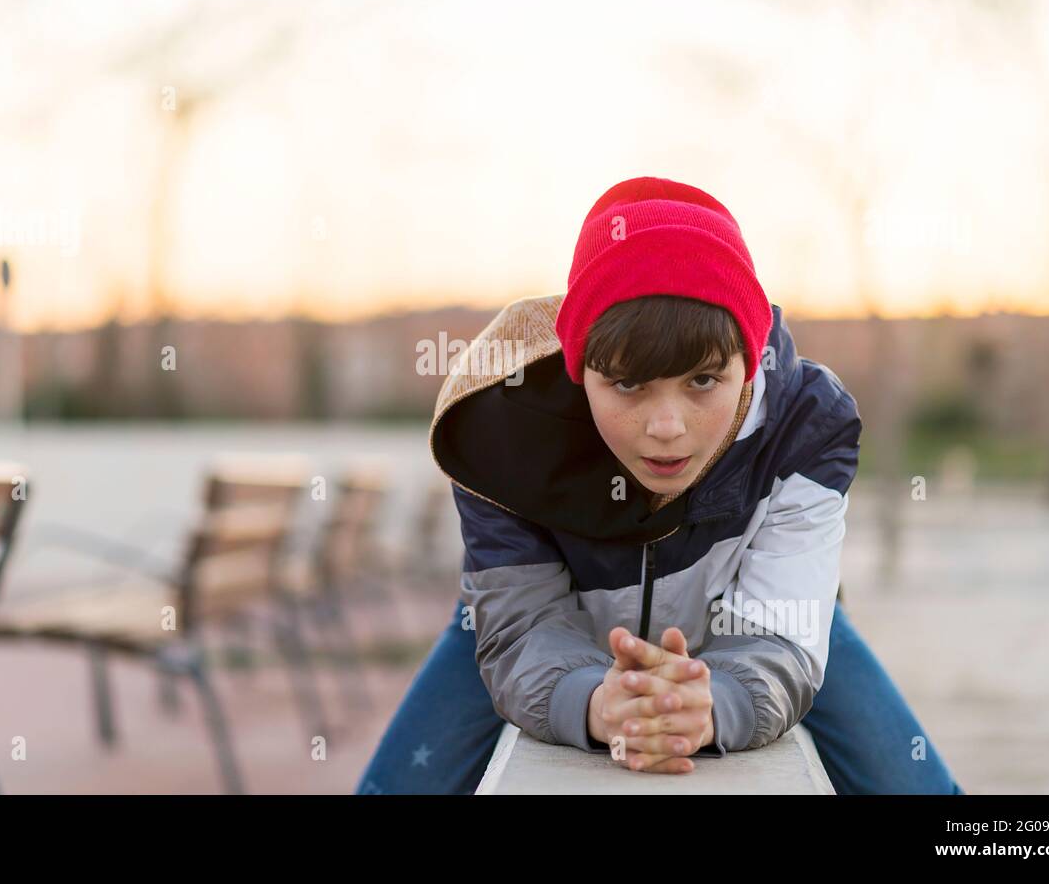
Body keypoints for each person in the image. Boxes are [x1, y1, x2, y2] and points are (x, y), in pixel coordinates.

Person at [357, 176, 962, 793]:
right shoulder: (504, 432)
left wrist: (715, 704)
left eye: (703, 380)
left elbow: (782, 626)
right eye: (627, 384)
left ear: (749, 363)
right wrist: (594, 702)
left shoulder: (806, 424)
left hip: (760, 625)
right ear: (579, 369)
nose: (667, 428)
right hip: (543, 629)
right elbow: (522, 623)